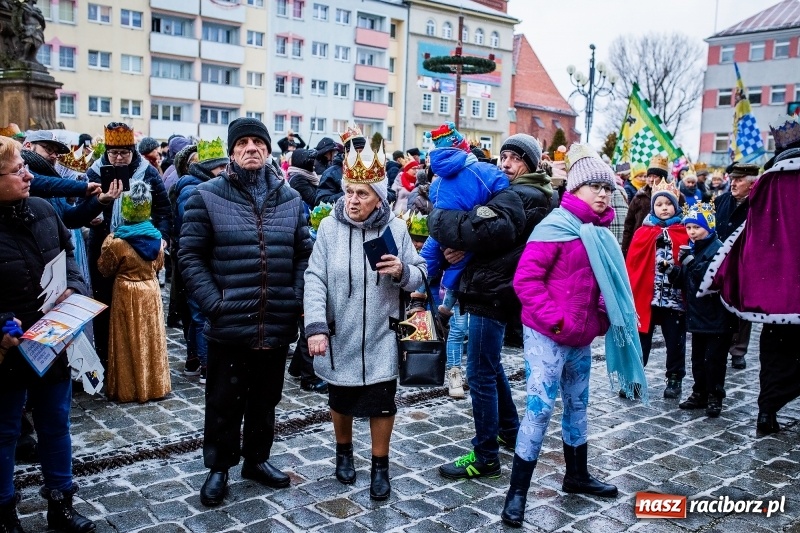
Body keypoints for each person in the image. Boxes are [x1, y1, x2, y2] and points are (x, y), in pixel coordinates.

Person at [501, 144, 647, 527]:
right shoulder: (554, 227)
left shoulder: (599, 234)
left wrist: (598, 321)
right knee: (540, 408)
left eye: (607, 187)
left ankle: (576, 476)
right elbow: (527, 282)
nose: (603, 193)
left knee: (578, 406)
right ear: (575, 189)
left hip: (582, 338)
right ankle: (517, 493)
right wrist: (559, 323)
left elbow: (607, 287)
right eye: (594, 186)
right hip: (547, 335)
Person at [179, 117, 313, 506]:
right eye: (243, 143)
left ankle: (257, 459)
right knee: (224, 399)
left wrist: (295, 295)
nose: (251, 148)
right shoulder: (207, 195)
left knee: (265, 398)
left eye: (258, 142)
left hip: (276, 318)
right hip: (230, 320)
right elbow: (189, 255)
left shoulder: (290, 199)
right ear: (232, 151)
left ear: (269, 151)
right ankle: (219, 467)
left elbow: (304, 253)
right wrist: (214, 304)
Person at [303, 140, 426, 501]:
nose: (353, 200)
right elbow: (315, 278)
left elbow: (421, 274)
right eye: (350, 192)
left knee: (382, 403)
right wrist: (316, 326)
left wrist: (403, 271)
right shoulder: (329, 228)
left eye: (362, 194)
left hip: (381, 334)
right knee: (340, 400)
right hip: (340, 333)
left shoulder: (397, 230)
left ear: (378, 198)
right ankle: (343, 453)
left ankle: (380, 466)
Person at [431, 133, 555, 481]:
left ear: (530, 164)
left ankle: (485, 454)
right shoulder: (522, 192)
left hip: (492, 289)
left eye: (515, 158)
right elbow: (485, 230)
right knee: (490, 363)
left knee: (480, 373)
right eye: (503, 157)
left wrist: (454, 239)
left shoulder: (526, 195)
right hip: (495, 285)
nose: (505, 164)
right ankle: (509, 428)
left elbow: (488, 232)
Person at [0, 136, 95, 533]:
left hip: (51, 340)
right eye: (16, 169)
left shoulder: (41, 209)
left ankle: (61, 504)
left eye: (24, 165)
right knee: (4, 431)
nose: (27, 173)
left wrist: (73, 288)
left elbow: (68, 255)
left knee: (56, 423)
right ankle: (4, 512)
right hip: (8, 348)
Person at [711, 115, 800, 435]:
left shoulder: (768, 181)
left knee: (775, 349)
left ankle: (767, 412)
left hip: (776, 285)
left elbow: (754, 232)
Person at [86, 123, 172, 367]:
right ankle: (106, 358)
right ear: (107, 152)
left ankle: (136, 358)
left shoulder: (148, 172)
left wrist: (163, 236)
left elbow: (164, 210)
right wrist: (91, 214)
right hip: (103, 245)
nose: (119, 158)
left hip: (140, 248)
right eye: (114, 153)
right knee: (104, 302)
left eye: (125, 152)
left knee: (137, 304)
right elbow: (79, 208)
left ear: (133, 151)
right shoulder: (94, 172)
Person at [415, 123, 508, 322]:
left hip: (440, 231)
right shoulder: (483, 172)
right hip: (468, 232)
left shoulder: (439, 180)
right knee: (459, 263)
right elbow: (501, 187)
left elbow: (435, 201)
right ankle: (446, 304)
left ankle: (418, 292)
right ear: (463, 147)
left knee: (429, 253)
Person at [98, 181, 171, 403]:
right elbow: (159, 265)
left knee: (126, 341)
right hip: (150, 290)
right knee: (151, 339)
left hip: (125, 290)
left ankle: (128, 388)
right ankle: (153, 386)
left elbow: (104, 268)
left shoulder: (116, 241)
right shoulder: (156, 238)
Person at [661, 203, 734, 417]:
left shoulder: (719, 249)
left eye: (696, 228)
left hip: (717, 317)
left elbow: (711, 281)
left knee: (714, 361)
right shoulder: (693, 249)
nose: (691, 232)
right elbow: (687, 282)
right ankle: (699, 393)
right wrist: (672, 271)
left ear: (708, 227)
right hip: (698, 316)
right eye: (689, 228)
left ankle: (715, 396)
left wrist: (690, 263)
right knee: (698, 360)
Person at [171, 138, 229, 384]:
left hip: (208, 260)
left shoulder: (205, 185)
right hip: (197, 262)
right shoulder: (191, 190)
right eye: (220, 168)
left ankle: (196, 361)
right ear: (209, 168)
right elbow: (193, 230)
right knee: (200, 315)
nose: (225, 172)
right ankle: (206, 366)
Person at [625, 180, 689, 399]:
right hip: (647, 297)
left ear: (676, 206)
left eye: (668, 204)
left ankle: (674, 377)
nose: (664, 208)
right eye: (659, 204)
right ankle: (634, 378)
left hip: (674, 299)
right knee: (642, 340)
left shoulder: (684, 231)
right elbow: (634, 264)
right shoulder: (644, 232)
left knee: (675, 341)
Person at [714, 162, 758, 370]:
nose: (733, 183)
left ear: (752, 184)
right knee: (720, 303)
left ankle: (738, 350)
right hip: (721, 261)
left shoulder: (759, 203)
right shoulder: (721, 200)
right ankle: (721, 343)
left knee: (741, 308)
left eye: (738, 180)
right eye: (732, 179)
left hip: (745, 262)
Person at [621, 155, 669, 255]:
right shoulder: (639, 196)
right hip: (639, 244)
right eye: (649, 176)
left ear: (663, 178)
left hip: (663, 246)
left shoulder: (675, 196)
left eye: (655, 176)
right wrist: (625, 249)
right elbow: (629, 224)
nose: (651, 179)